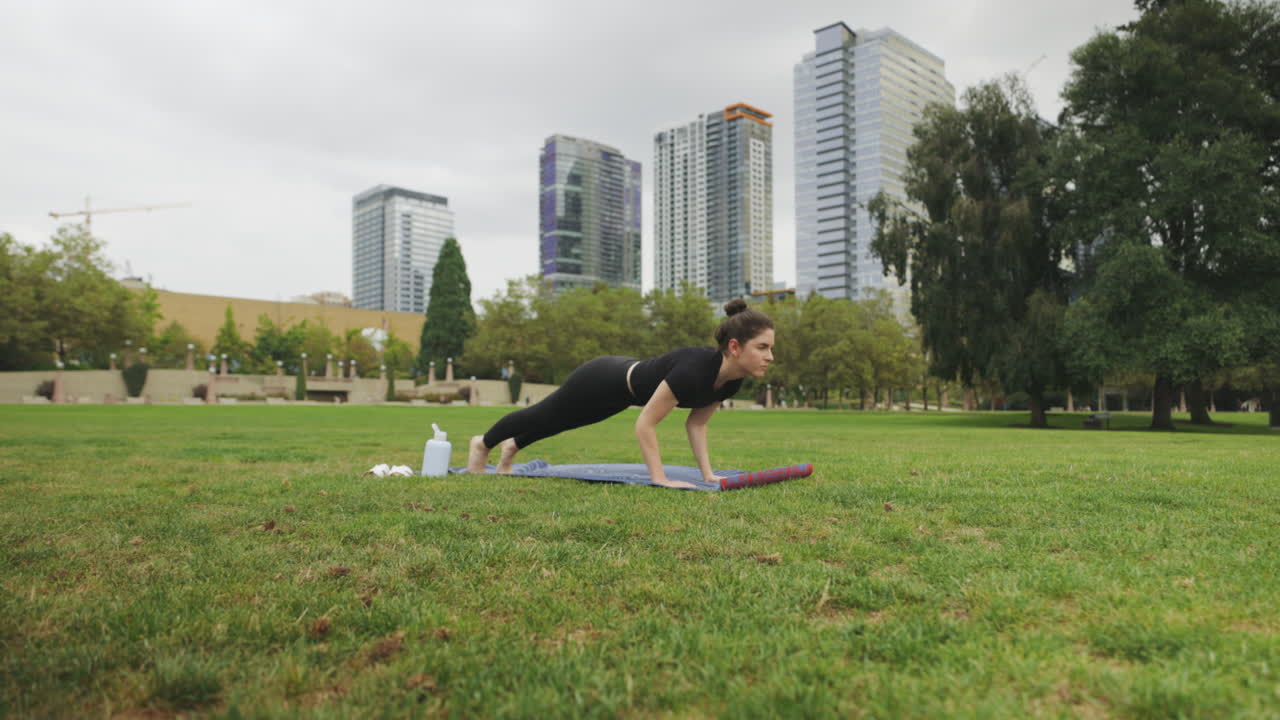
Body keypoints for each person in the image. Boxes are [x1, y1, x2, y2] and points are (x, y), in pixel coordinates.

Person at [466, 298, 774, 488]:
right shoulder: (694, 368)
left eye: (770, 348)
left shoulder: (733, 379)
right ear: (735, 347)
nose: (770, 356)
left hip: (623, 395)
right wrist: (660, 478)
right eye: (762, 347)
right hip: (603, 377)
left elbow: (696, 424)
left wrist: (708, 475)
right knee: (545, 413)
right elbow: (645, 424)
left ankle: (512, 448)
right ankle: (483, 444)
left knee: (563, 422)